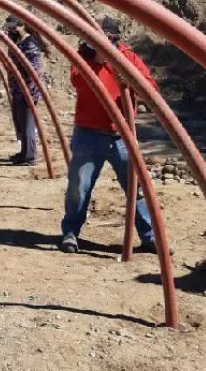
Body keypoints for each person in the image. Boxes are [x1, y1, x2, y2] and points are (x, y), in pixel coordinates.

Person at [60, 15, 161, 254]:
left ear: (113, 38)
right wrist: (99, 59)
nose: (95, 42)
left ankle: (150, 237)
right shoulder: (83, 56)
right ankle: (70, 233)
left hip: (121, 135)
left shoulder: (128, 57)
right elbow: (79, 82)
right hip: (88, 133)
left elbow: (150, 88)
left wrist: (132, 81)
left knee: (136, 188)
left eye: (102, 38)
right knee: (78, 187)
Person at [5, 16, 44, 166]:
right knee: (20, 120)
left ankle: (30, 156)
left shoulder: (29, 43)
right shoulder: (17, 40)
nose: (10, 30)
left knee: (27, 123)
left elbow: (32, 69)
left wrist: (24, 82)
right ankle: (24, 152)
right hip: (17, 88)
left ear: (21, 25)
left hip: (27, 89)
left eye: (13, 27)